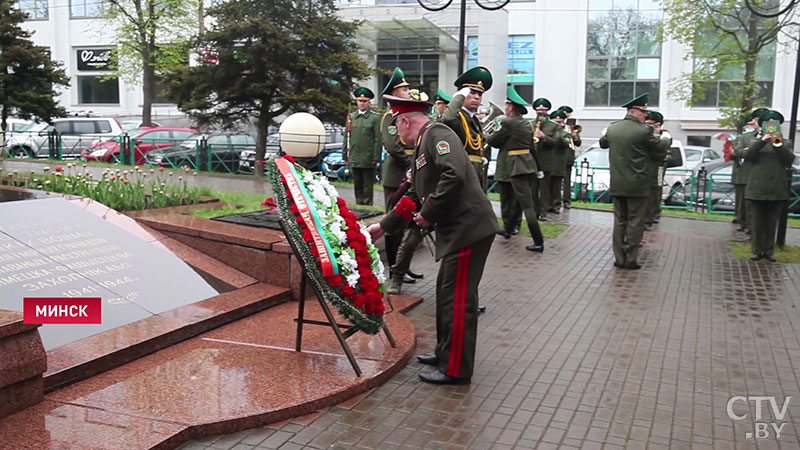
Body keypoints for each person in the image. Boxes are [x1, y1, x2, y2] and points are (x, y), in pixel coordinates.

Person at [368, 95, 498, 385]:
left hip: (469, 228)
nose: (396, 133)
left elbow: (455, 174)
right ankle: (444, 353)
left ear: (404, 121)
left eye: (396, 126)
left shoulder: (438, 134)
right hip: (459, 229)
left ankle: (457, 369)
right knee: (446, 293)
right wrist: (383, 226)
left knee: (458, 299)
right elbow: (415, 193)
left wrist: (429, 213)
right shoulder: (424, 143)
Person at [599, 93, 671, 270]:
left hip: (617, 182)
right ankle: (630, 258)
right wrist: (664, 137)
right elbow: (659, 147)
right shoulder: (643, 131)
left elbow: (603, 143)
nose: (645, 115)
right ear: (633, 111)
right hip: (638, 184)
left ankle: (619, 257)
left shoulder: (613, 128)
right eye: (642, 112)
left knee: (619, 221)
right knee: (635, 221)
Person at [486, 86, 545, 252]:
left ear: (511, 107)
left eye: (506, 104)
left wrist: (486, 135)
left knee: (527, 205)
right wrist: (538, 168)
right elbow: (531, 147)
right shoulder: (526, 124)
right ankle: (508, 229)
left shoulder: (507, 122)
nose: (505, 107)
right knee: (519, 202)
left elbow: (493, 141)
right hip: (527, 164)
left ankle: (538, 241)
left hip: (516, 166)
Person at [743, 109, 794, 262]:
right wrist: (762, 140)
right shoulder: (755, 142)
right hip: (758, 187)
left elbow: (789, 159)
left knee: (772, 222)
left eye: (774, 124)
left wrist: (777, 143)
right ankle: (757, 250)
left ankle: (769, 250)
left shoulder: (785, 143)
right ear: (763, 126)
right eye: (768, 123)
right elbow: (748, 156)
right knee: (757, 222)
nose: (771, 127)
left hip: (776, 188)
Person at [379, 67, 415, 282]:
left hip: (409, 173)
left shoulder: (406, 114)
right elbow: (393, 146)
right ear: (394, 93)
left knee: (407, 224)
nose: (409, 90)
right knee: (394, 225)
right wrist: (411, 164)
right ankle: (394, 269)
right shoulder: (390, 116)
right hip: (396, 175)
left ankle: (403, 266)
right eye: (404, 88)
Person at [441, 66, 493, 191]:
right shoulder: (457, 116)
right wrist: (458, 97)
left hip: (476, 171)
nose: (477, 97)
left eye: (480, 94)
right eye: (472, 93)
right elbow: (447, 119)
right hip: (462, 171)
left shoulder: (474, 120)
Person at [343, 87, 382, 205]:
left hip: (368, 156)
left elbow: (378, 139)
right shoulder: (352, 117)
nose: (362, 103)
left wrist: (376, 156)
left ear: (369, 102)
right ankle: (359, 202)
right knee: (357, 182)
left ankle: (368, 203)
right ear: (356, 102)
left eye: (365, 101)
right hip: (354, 155)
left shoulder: (375, 118)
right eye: (360, 101)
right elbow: (347, 136)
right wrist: (345, 154)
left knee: (367, 183)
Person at [732, 108, 767, 233]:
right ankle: (748, 227)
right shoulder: (747, 136)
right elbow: (740, 152)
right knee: (746, 205)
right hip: (747, 174)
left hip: (766, 177)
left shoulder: (776, 137)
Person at [643, 111, 670, 229]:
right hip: (645, 169)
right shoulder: (645, 134)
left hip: (658, 168)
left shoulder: (665, 136)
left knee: (655, 193)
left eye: (653, 124)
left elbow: (664, 152)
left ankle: (652, 216)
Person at [557, 106, 581, 209]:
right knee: (556, 181)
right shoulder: (557, 126)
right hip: (557, 156)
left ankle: (566, 201)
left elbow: (578, 143)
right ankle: (555, 201)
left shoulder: (571, 127)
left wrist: (575, 136)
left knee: (567, 182)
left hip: (568, 158)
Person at [547, 109, 570, 212]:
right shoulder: (546, 132)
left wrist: (557, 132)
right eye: (555, 122)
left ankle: (556, 205)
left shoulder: (565, 133)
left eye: (559, 122)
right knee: (546, 187)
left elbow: (565, 143)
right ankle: (546, 205)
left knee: (556, 187)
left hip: (558, 164)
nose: (557, 124)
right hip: (547, 162)